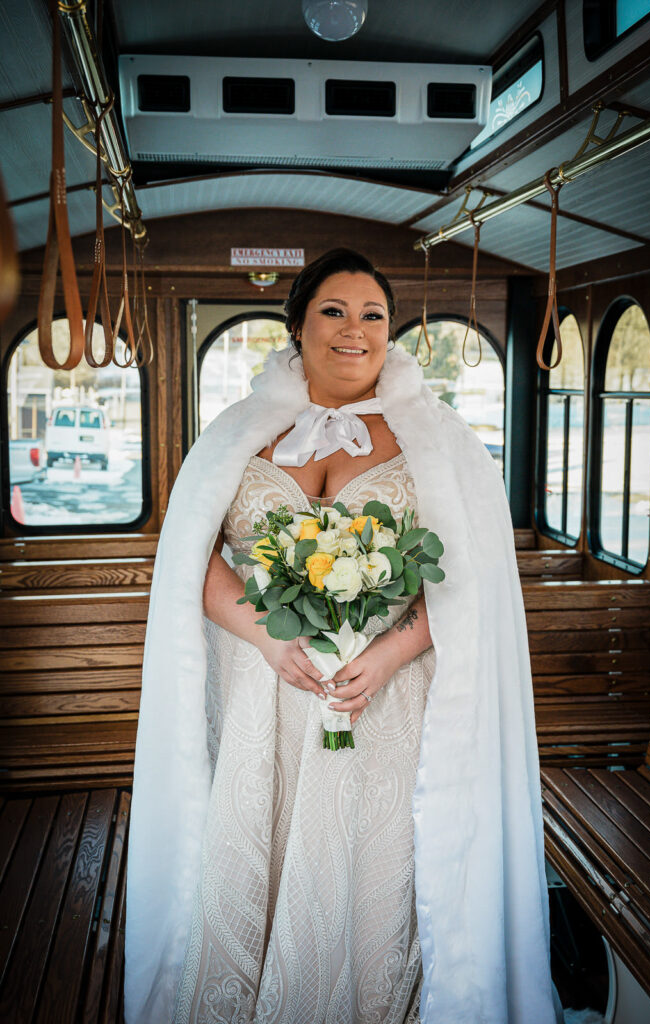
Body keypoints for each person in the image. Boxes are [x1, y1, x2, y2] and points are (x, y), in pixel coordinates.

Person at [124, 249, 564, 1024]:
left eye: (373, 316)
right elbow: (189, 560)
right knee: (256, 853)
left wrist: (390, 650)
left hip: (385, 701)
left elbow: (473, 588)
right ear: (296, 324)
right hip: (264, 694)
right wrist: (266, 636)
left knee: (372, 870)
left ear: (392, 333)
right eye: (333, 310)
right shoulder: (236, 434)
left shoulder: (442, 442)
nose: (353, 330)